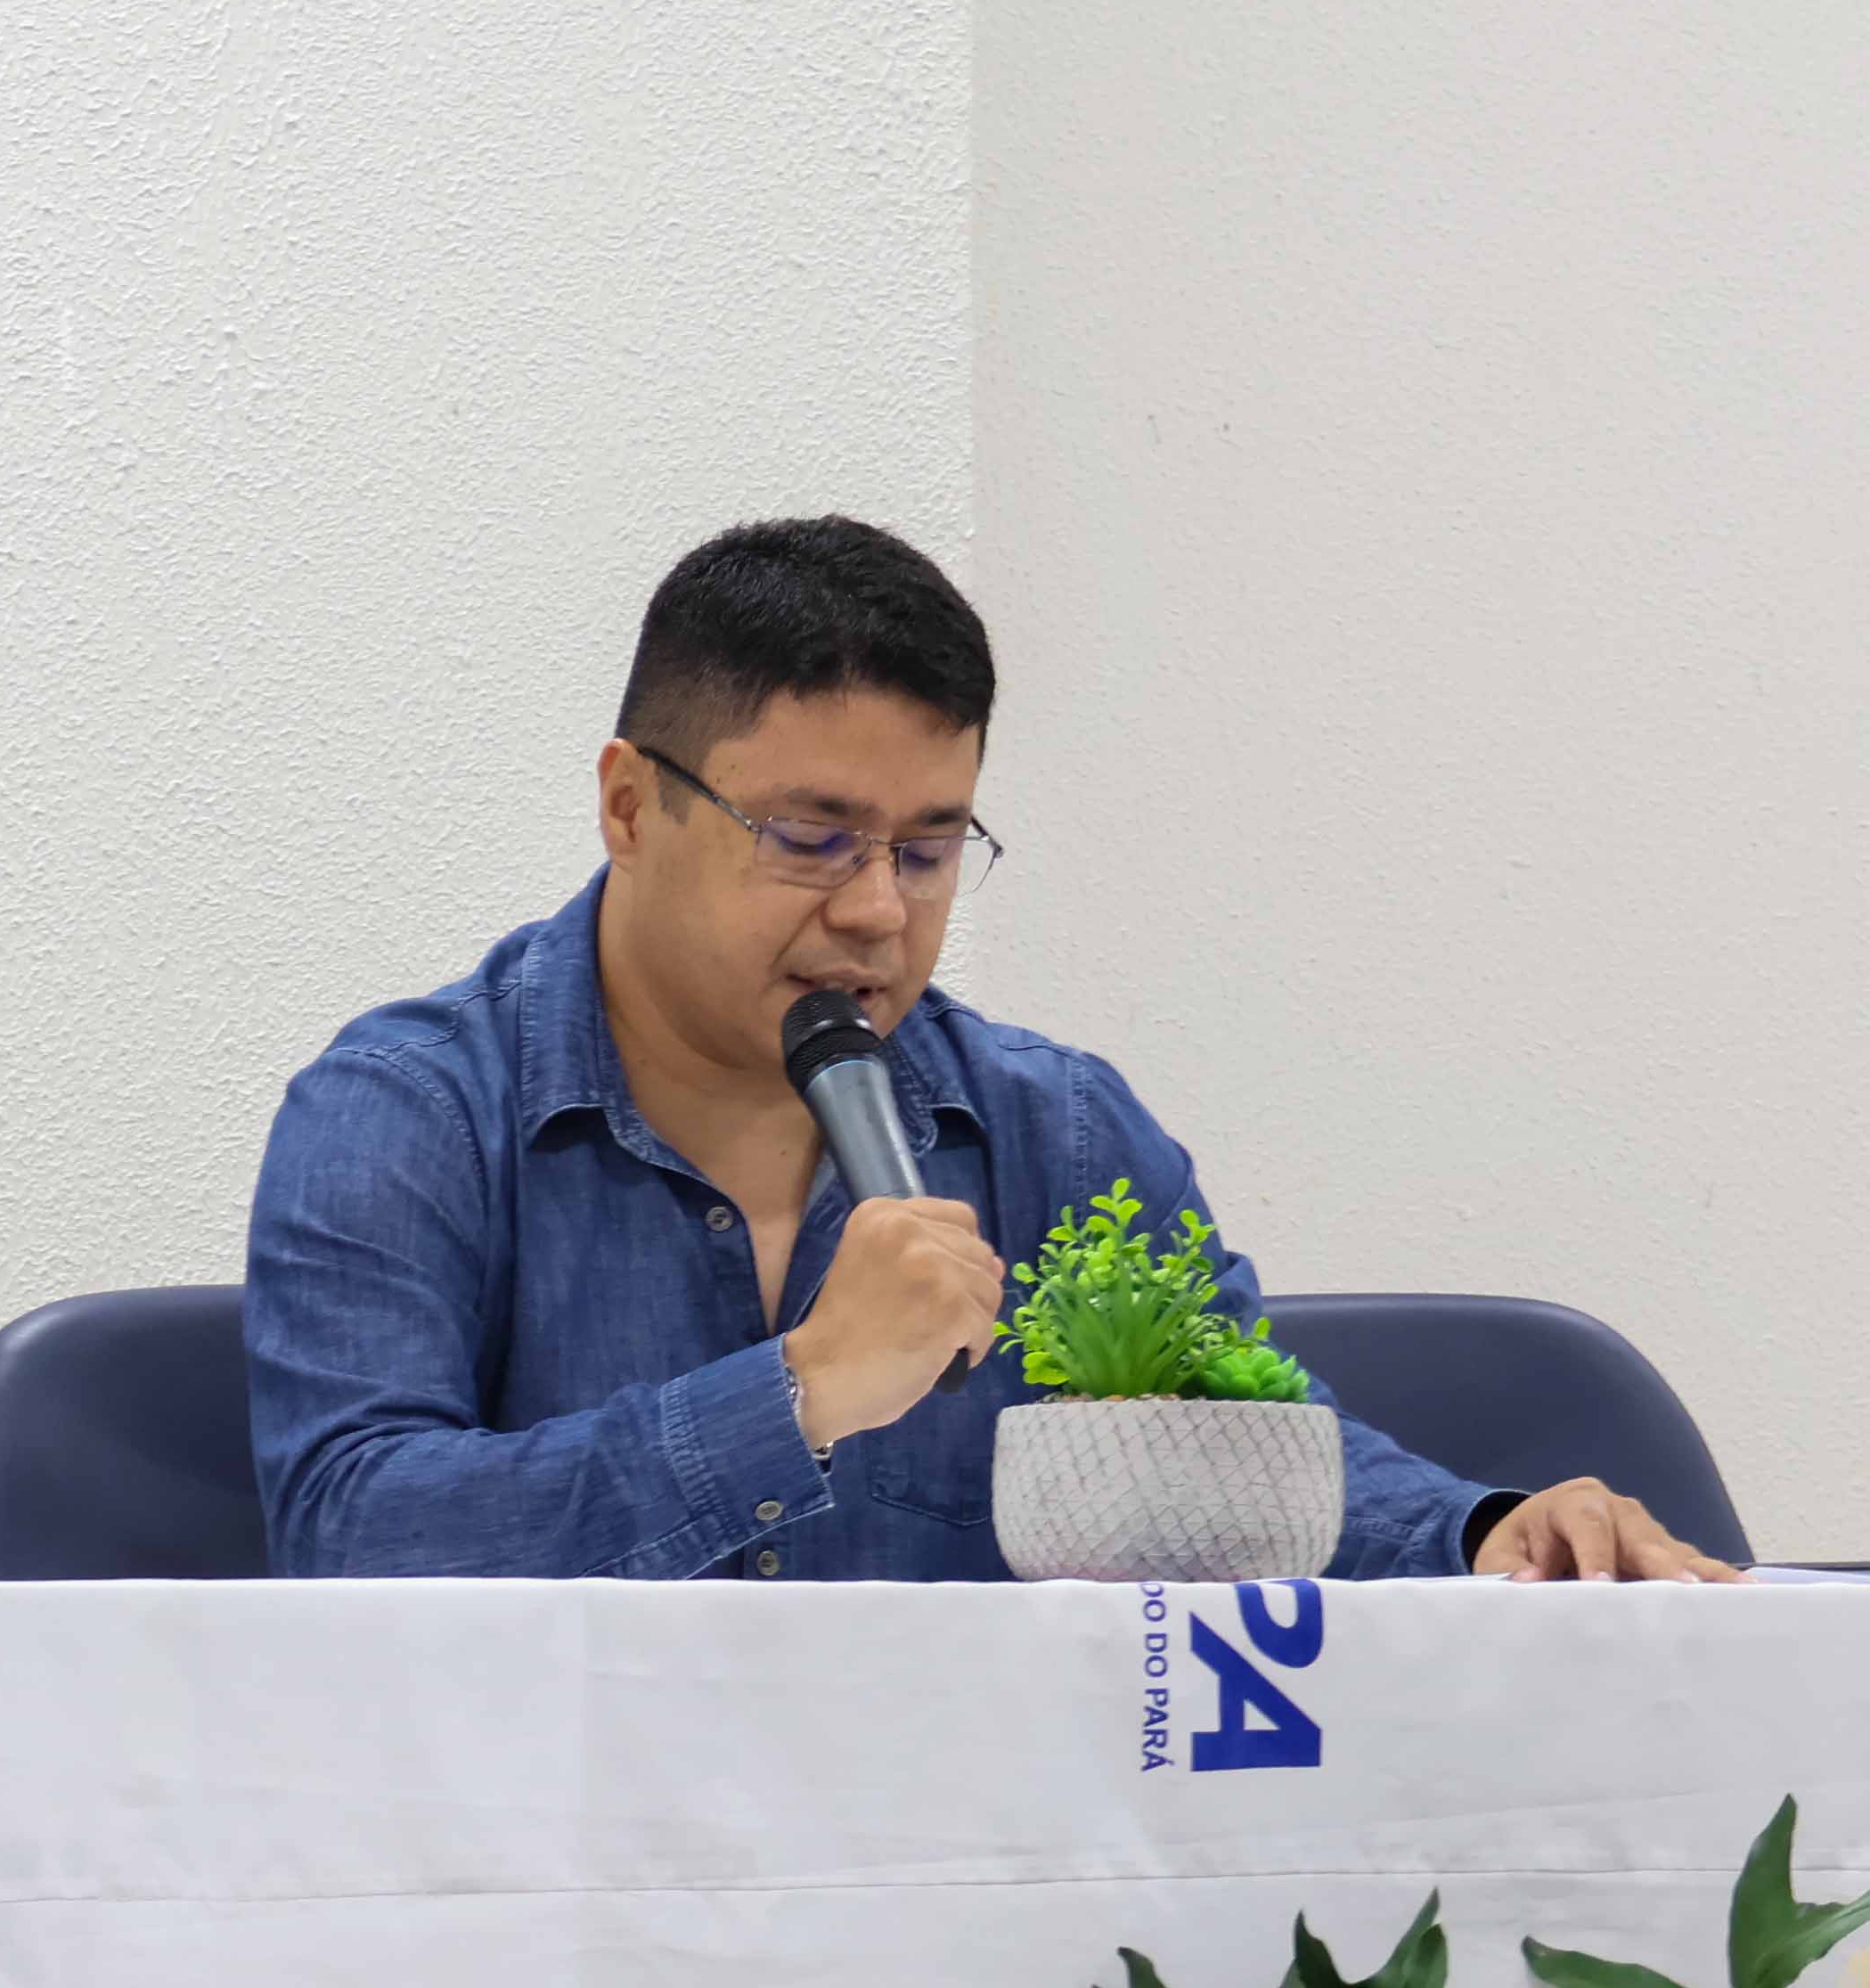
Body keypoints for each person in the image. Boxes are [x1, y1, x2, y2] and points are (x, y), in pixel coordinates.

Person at [245, 519, 1731, 1584]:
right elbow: (354, 1533)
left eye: (929, 847)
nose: (877, 912)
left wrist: (1483, 1536)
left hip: (967, 1881)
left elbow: (1237, 1453)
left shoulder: (1054, 1133)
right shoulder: (408, 1113)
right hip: (553, 1885)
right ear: (632, 806)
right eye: (810, 838)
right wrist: (800, 1391)